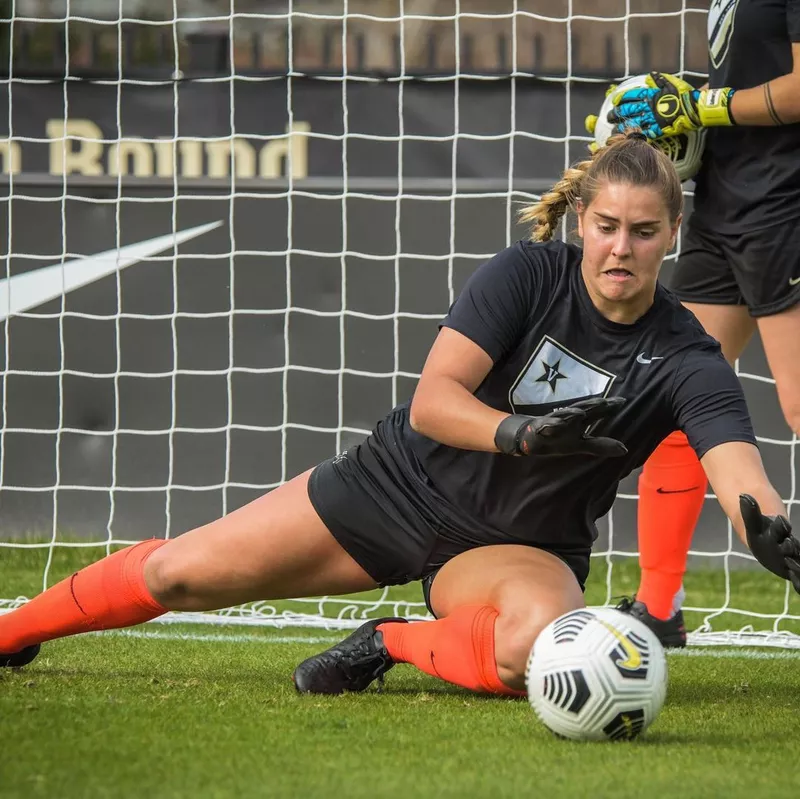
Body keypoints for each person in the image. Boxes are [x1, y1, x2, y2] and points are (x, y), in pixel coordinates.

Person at [2, 133, 799, 702]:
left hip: (519, 545)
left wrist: (762, 523)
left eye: (643, 231)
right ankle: (13, 631)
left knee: (534, 649)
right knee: (174, 574)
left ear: (671, 236)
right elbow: (434, 399)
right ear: (581, 220)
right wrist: (515, 432)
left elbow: (735, 465)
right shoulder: (525, 274)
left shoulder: (685, 352)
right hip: (396, 487)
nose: (621, 248)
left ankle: (387, 641)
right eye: (607, 226)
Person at [584, 0, 800, 646]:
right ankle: (658, 607)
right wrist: (671, 113)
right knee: (675, 399)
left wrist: (706, 107)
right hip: (723, 200)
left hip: (787, 206)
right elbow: (745, 78)